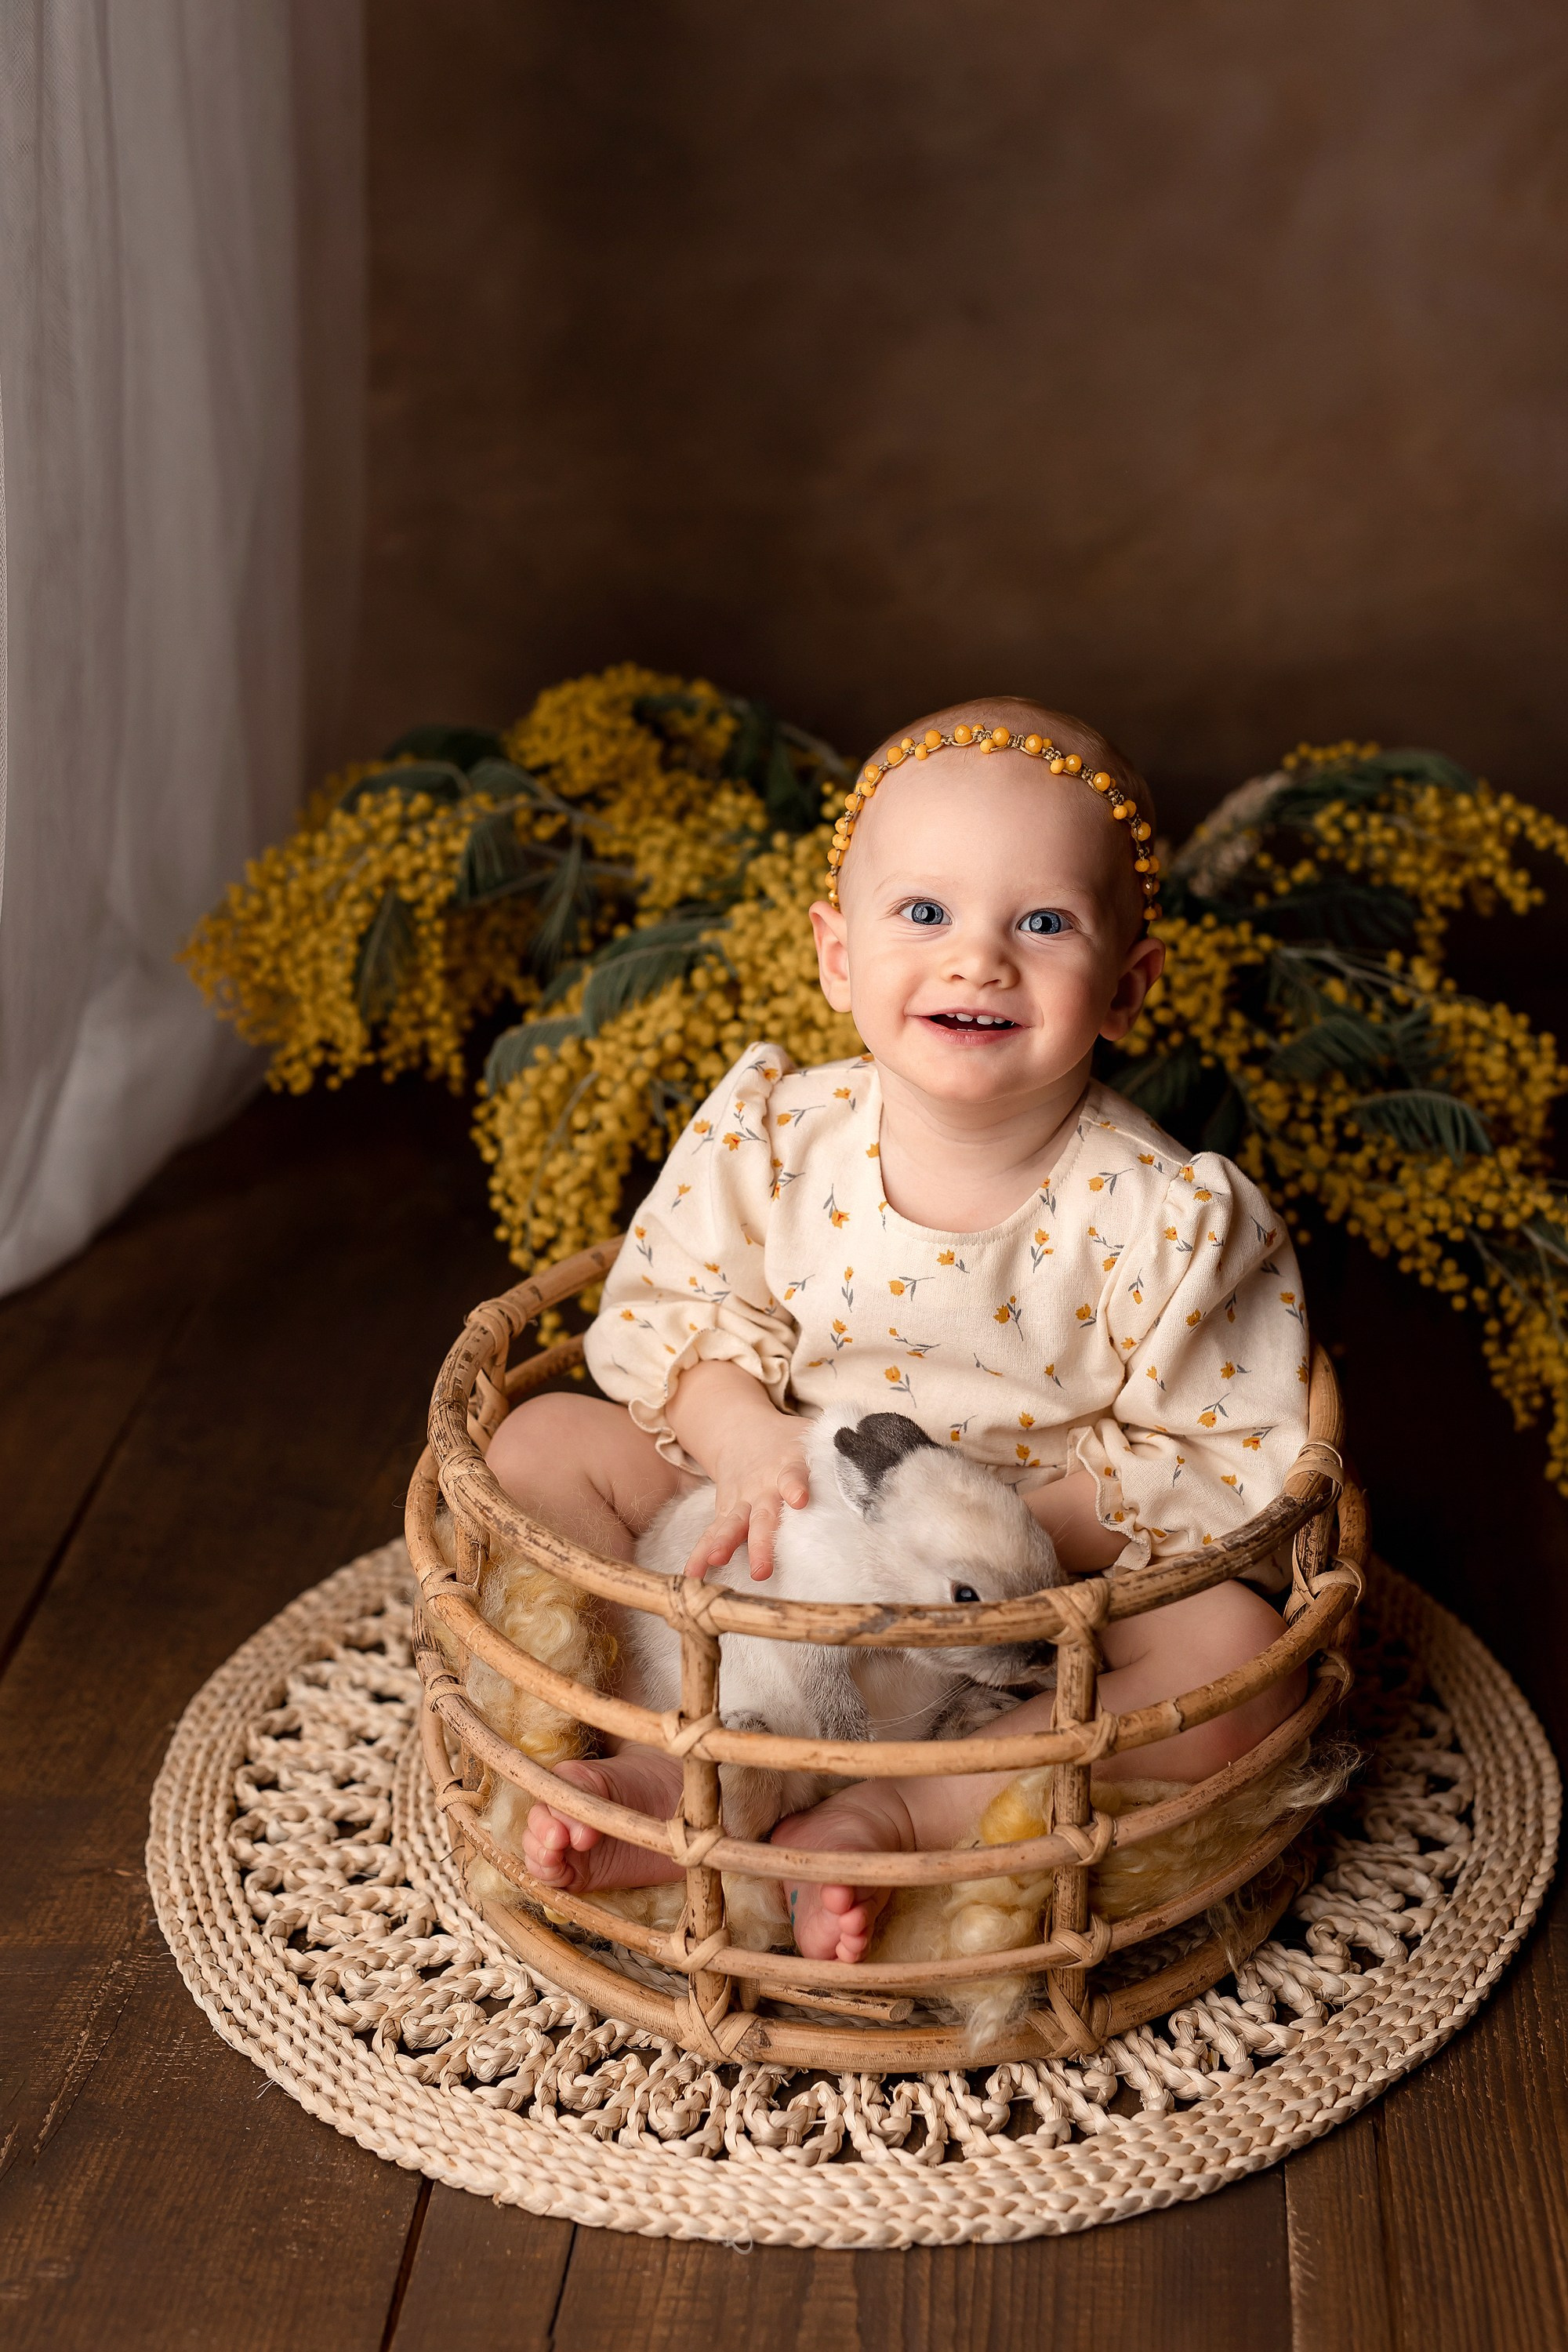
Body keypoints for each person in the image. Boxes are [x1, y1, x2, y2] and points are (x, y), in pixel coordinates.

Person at [489, 695, 1310, 1963]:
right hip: (765, 1538)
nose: (979, 959)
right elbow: (676, 1317)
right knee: (540, 1443)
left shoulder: (1162, 1218)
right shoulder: (776, 1135)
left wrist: (1006, 1535)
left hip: (1019, 1620)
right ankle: (661, 1768)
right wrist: (743, 1434)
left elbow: (1222, 1454)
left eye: (1043, 923)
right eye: (925, 913)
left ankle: (897, 1814)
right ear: (837, 954)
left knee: (1239, 1654)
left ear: (1130, 986)